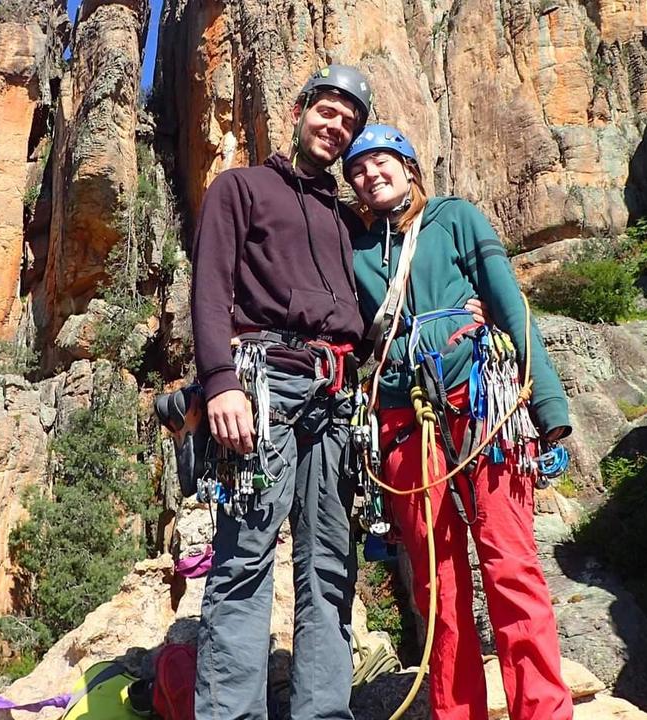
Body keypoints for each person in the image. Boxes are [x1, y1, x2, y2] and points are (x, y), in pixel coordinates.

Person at [342, 125, 574, 720]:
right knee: (436, 584)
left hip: (482, 403)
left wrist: (550, 411)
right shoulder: (358, 251)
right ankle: (456, 712)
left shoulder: (456, 219)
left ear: (409, 166)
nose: (371, 174)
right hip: (404, 420)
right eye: (358, 169)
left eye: (381, 161)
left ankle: (543, 710)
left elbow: (508, 303)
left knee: (511, 563)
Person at [189, 64, 373, 720]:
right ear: (298, 111)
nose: (336, 127)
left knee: (329, 567)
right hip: (263, 384)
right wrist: (219, 384)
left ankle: (322, 713)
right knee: (244, 557)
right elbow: (209, 287)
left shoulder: (350, 224)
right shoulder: (240, 188)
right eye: (326, 112)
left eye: (348, 122)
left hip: (335, 399)